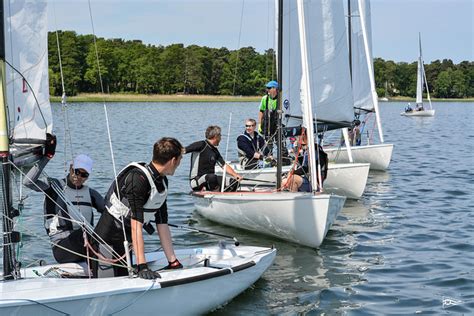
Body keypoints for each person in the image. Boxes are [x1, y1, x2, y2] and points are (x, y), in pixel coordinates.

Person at [92, 137, 184, 279]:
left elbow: (162, 224)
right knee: (111, 282)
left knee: (123, 277)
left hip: (126, 242)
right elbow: (136, 225)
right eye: (180, 160)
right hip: (107, 241)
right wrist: (142, 266)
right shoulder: (138, 179)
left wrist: (173, 261)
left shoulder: (162, 181)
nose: (179, 163)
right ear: (173, 160)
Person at [23, 136, 105, 264]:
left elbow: (109, 213)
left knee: (108, 231)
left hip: (86, 247)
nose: (79, 177)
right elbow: (28, 182)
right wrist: (47, 157)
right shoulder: (54, 186)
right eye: (77, 172)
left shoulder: (91, 194)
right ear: (71, 168)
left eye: (84, 175)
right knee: (88, 235)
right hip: (62, 249)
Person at [185, 125, 243, 192]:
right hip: (196, 181)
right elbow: (183, 150)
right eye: (220, 136)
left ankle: (223, 198)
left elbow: (224, 165)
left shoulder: (215, 151)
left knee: (234, 182)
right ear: (216, 136)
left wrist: (235, 175)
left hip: (211, 180)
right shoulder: (201, 145)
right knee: (212, 177)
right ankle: (215, 192)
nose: (221, 138)